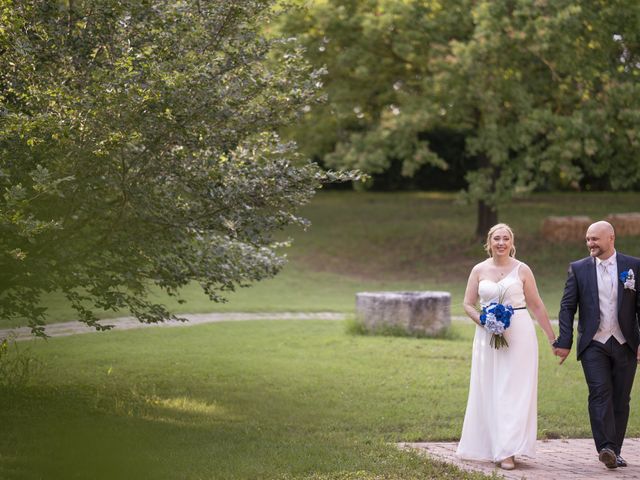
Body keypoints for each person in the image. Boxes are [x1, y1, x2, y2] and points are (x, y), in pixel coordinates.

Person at [456, 223, 556, 471]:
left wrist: (552, 338)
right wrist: (484, 320)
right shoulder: (478, 270)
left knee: (513, 391)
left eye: (506, 239)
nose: (501, 243)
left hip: (519, 335)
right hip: (486, 337)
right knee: (491, 388)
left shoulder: (523, 270)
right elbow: (468, 304)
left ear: (512, 243)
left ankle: (508, 451)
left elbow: (537, 306)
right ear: (489, 243)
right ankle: (492, 445)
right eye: (496, 239)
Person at [554, 220, 640, 470]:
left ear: (611, 238)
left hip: (626, 342)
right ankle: (606, 448)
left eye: (595, 239)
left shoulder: (633, 266)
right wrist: (565, 341)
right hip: (594, 343)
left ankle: (616, 450)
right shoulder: (578, 269)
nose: (590, 243)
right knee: (600, 392)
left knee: (621, 398)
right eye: (587, 239)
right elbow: (567, 307)